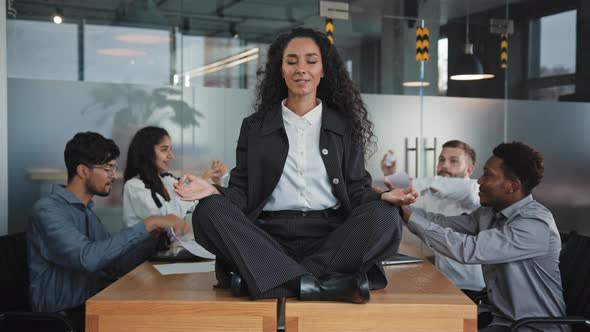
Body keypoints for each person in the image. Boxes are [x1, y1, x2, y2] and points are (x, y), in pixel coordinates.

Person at [174, 28, 416, 303]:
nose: (301, 69)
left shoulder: (344, 126)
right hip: (267, 238)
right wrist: (213, 190)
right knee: (207, 211)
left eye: (311, 61)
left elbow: (356, 189)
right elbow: (242, 194)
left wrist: (383, 196)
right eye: (292, 61)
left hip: (331, 237)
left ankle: (273, 281)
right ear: (281, 69)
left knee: (386, 216)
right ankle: (320, 284)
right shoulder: (255, 127)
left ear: (324, 70)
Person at [382, 142, 567, 331]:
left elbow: (468, 249)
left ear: (512, 186)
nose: (479, 181)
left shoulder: (534, 224)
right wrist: (400, 209)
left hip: (533, 328)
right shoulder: (490, 213)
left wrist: (406, 207)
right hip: (501, 321)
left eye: (488, 175)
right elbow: (441, 222)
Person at [27, 132, 190, 331]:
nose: (114, 176)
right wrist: (148, 223)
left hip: (91, 309)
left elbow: (116, 266)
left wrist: (152, 237)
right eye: (107, 169)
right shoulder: (48, 210)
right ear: (83, 171)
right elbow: (88, 258)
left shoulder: (86, 212)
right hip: (61, 321)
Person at [379, 140, 485, 294]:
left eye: (453, 161)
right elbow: (406, 208)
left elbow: (438, 185)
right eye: (441, 160)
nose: (445, 165)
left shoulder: (475, 192)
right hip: (441, 282)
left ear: (469, 169)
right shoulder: (433, 197)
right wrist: (391, 178)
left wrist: (401, 180)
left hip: (471, 288)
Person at [122, 126, 227, 228]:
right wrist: (200, 185)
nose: (171, 156)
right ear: (146, 152)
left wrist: (215, 182)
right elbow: (164, 219)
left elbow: (196, 203)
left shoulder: (168, 180)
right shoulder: (133, 186)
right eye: (164, 150)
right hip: (149, 246)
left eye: (170, 149)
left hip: (173, 244)